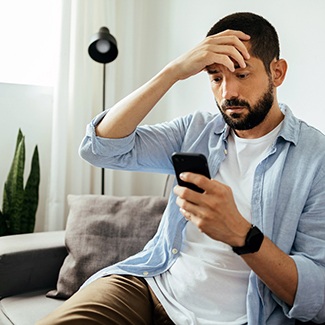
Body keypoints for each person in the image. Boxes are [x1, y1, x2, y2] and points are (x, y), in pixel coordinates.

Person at [38, 12, 325, 325]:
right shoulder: (197, 130)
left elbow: (316, 296)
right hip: (151, 284)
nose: (228, 92)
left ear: (277, 72)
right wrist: (173, 72)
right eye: (216, 77)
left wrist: (241, 235)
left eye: (241, 74)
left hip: (241, 316)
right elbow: (100, 148)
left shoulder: (315, 159)